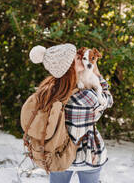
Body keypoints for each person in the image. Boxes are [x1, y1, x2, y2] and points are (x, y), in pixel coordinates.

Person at [29, 43, 113, 183]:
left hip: (58, 155)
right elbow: (108, 100)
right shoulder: (84, 95)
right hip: (87, 155)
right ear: (68, 67)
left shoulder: (51, 90)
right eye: (77, 58)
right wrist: (98, 75)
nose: (82, 59)